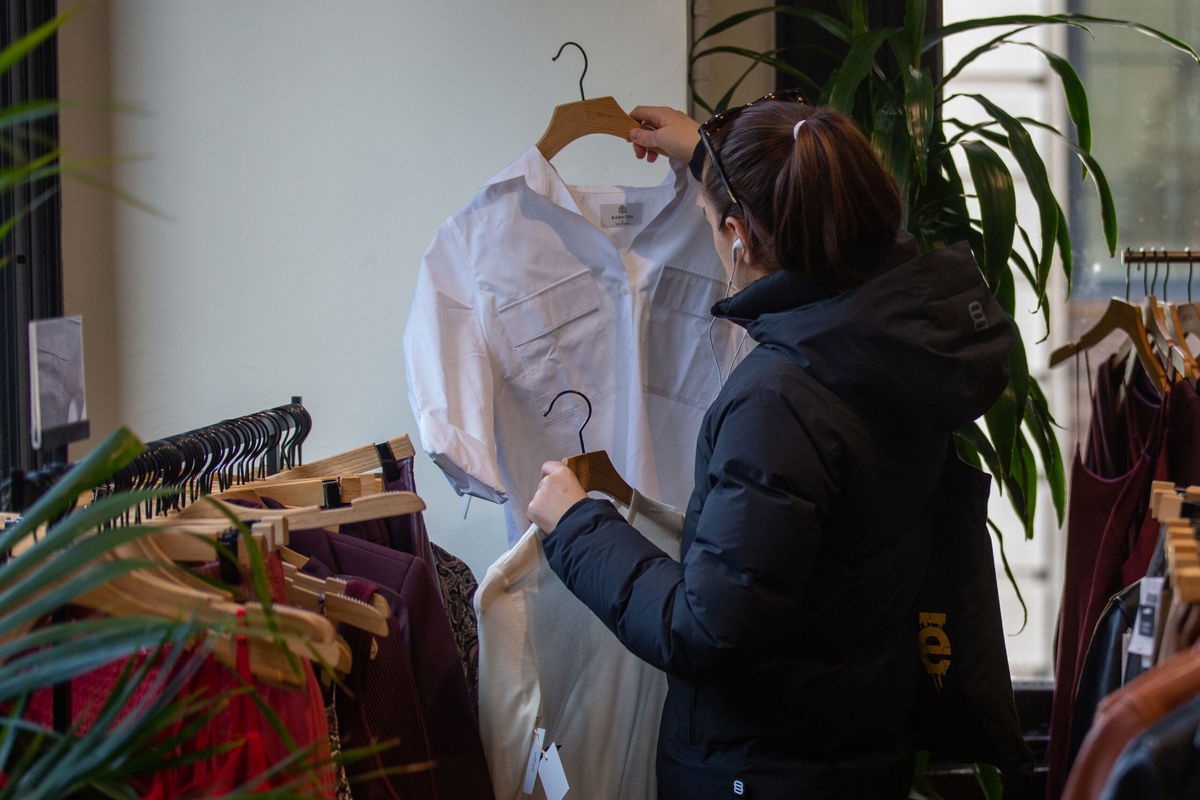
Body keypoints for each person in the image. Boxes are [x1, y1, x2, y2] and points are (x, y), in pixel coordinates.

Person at [527, 93, 1015, 799]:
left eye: (711, 225)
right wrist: (710, 157)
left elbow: (708, 628)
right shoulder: (900, 335)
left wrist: (577, 527)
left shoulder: (780, 401)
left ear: (740, 239)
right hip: (860, 745)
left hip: (761, 770)